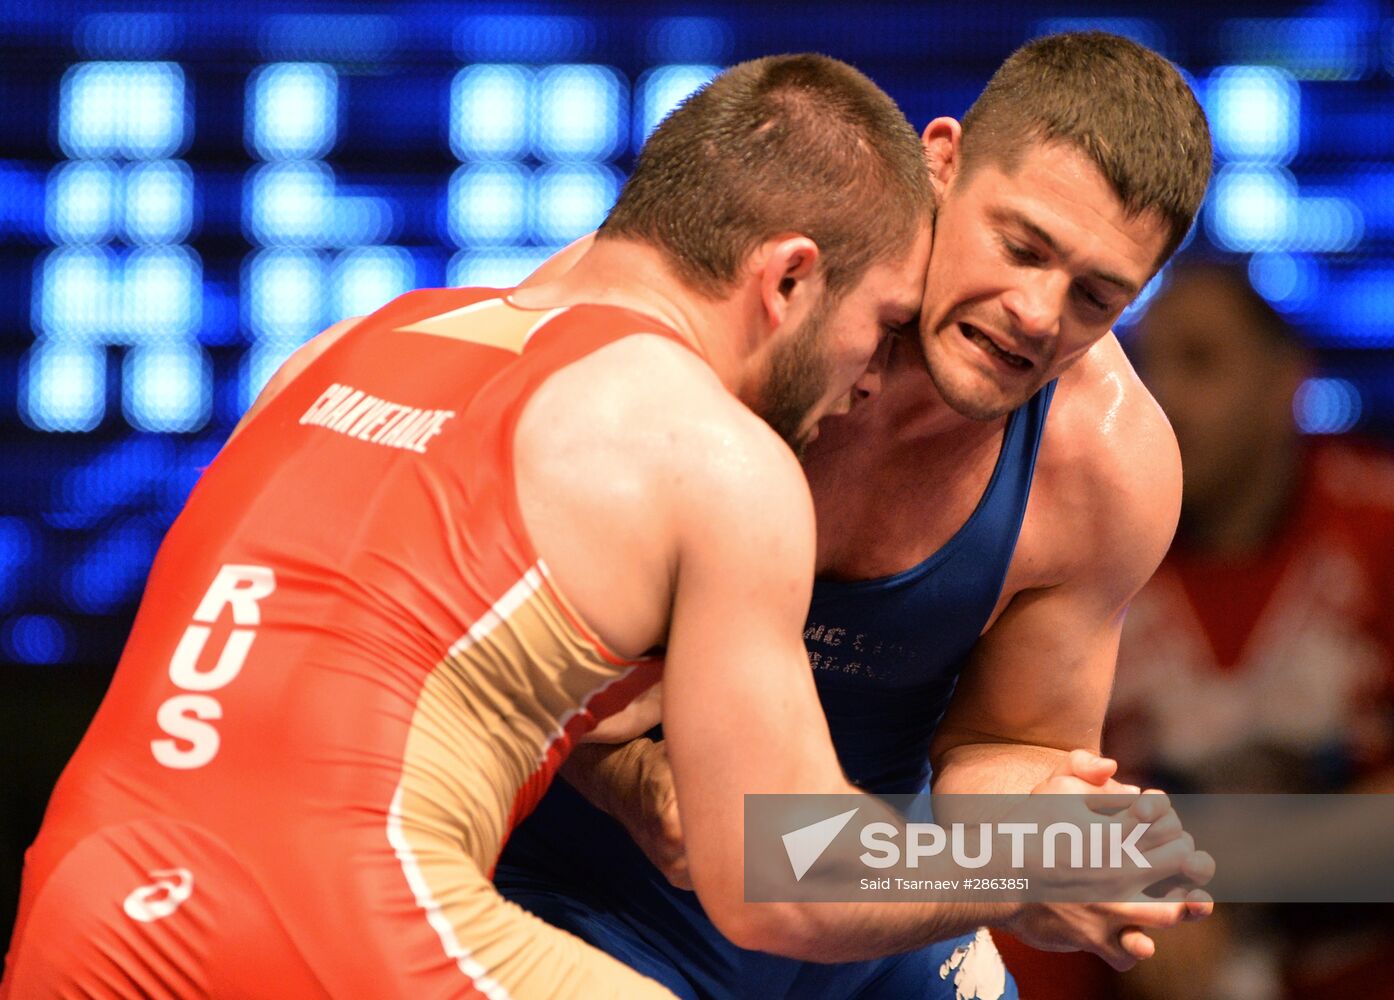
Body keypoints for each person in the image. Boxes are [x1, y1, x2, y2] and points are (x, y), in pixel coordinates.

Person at [0, 54, 976, 999]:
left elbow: (361, 652)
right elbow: (780, 874)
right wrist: (1077, 852)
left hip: (86, 890)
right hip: (334, 909)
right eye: (883, 323)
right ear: (789, 279)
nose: (869, 378)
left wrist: (632, 772)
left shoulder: (343, 345)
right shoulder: (711, 452)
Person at [494, 30, 1216, 1000]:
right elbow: (477, 624)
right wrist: (623, 781)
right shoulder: (726, 297)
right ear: (941, 161)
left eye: (1095, 295)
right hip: (585, 888)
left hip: (869, 900)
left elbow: (1003, 747)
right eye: (1020, 246)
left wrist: (1053, 838)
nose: (1040, 315)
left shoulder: (1106, 466)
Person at [1102, 260, 1394, 1000]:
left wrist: (1183, 877)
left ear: (1285, 384)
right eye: (1144, 364)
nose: (1161, 394)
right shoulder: (1087, 556)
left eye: (1199, 360)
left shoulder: (1380, 529)